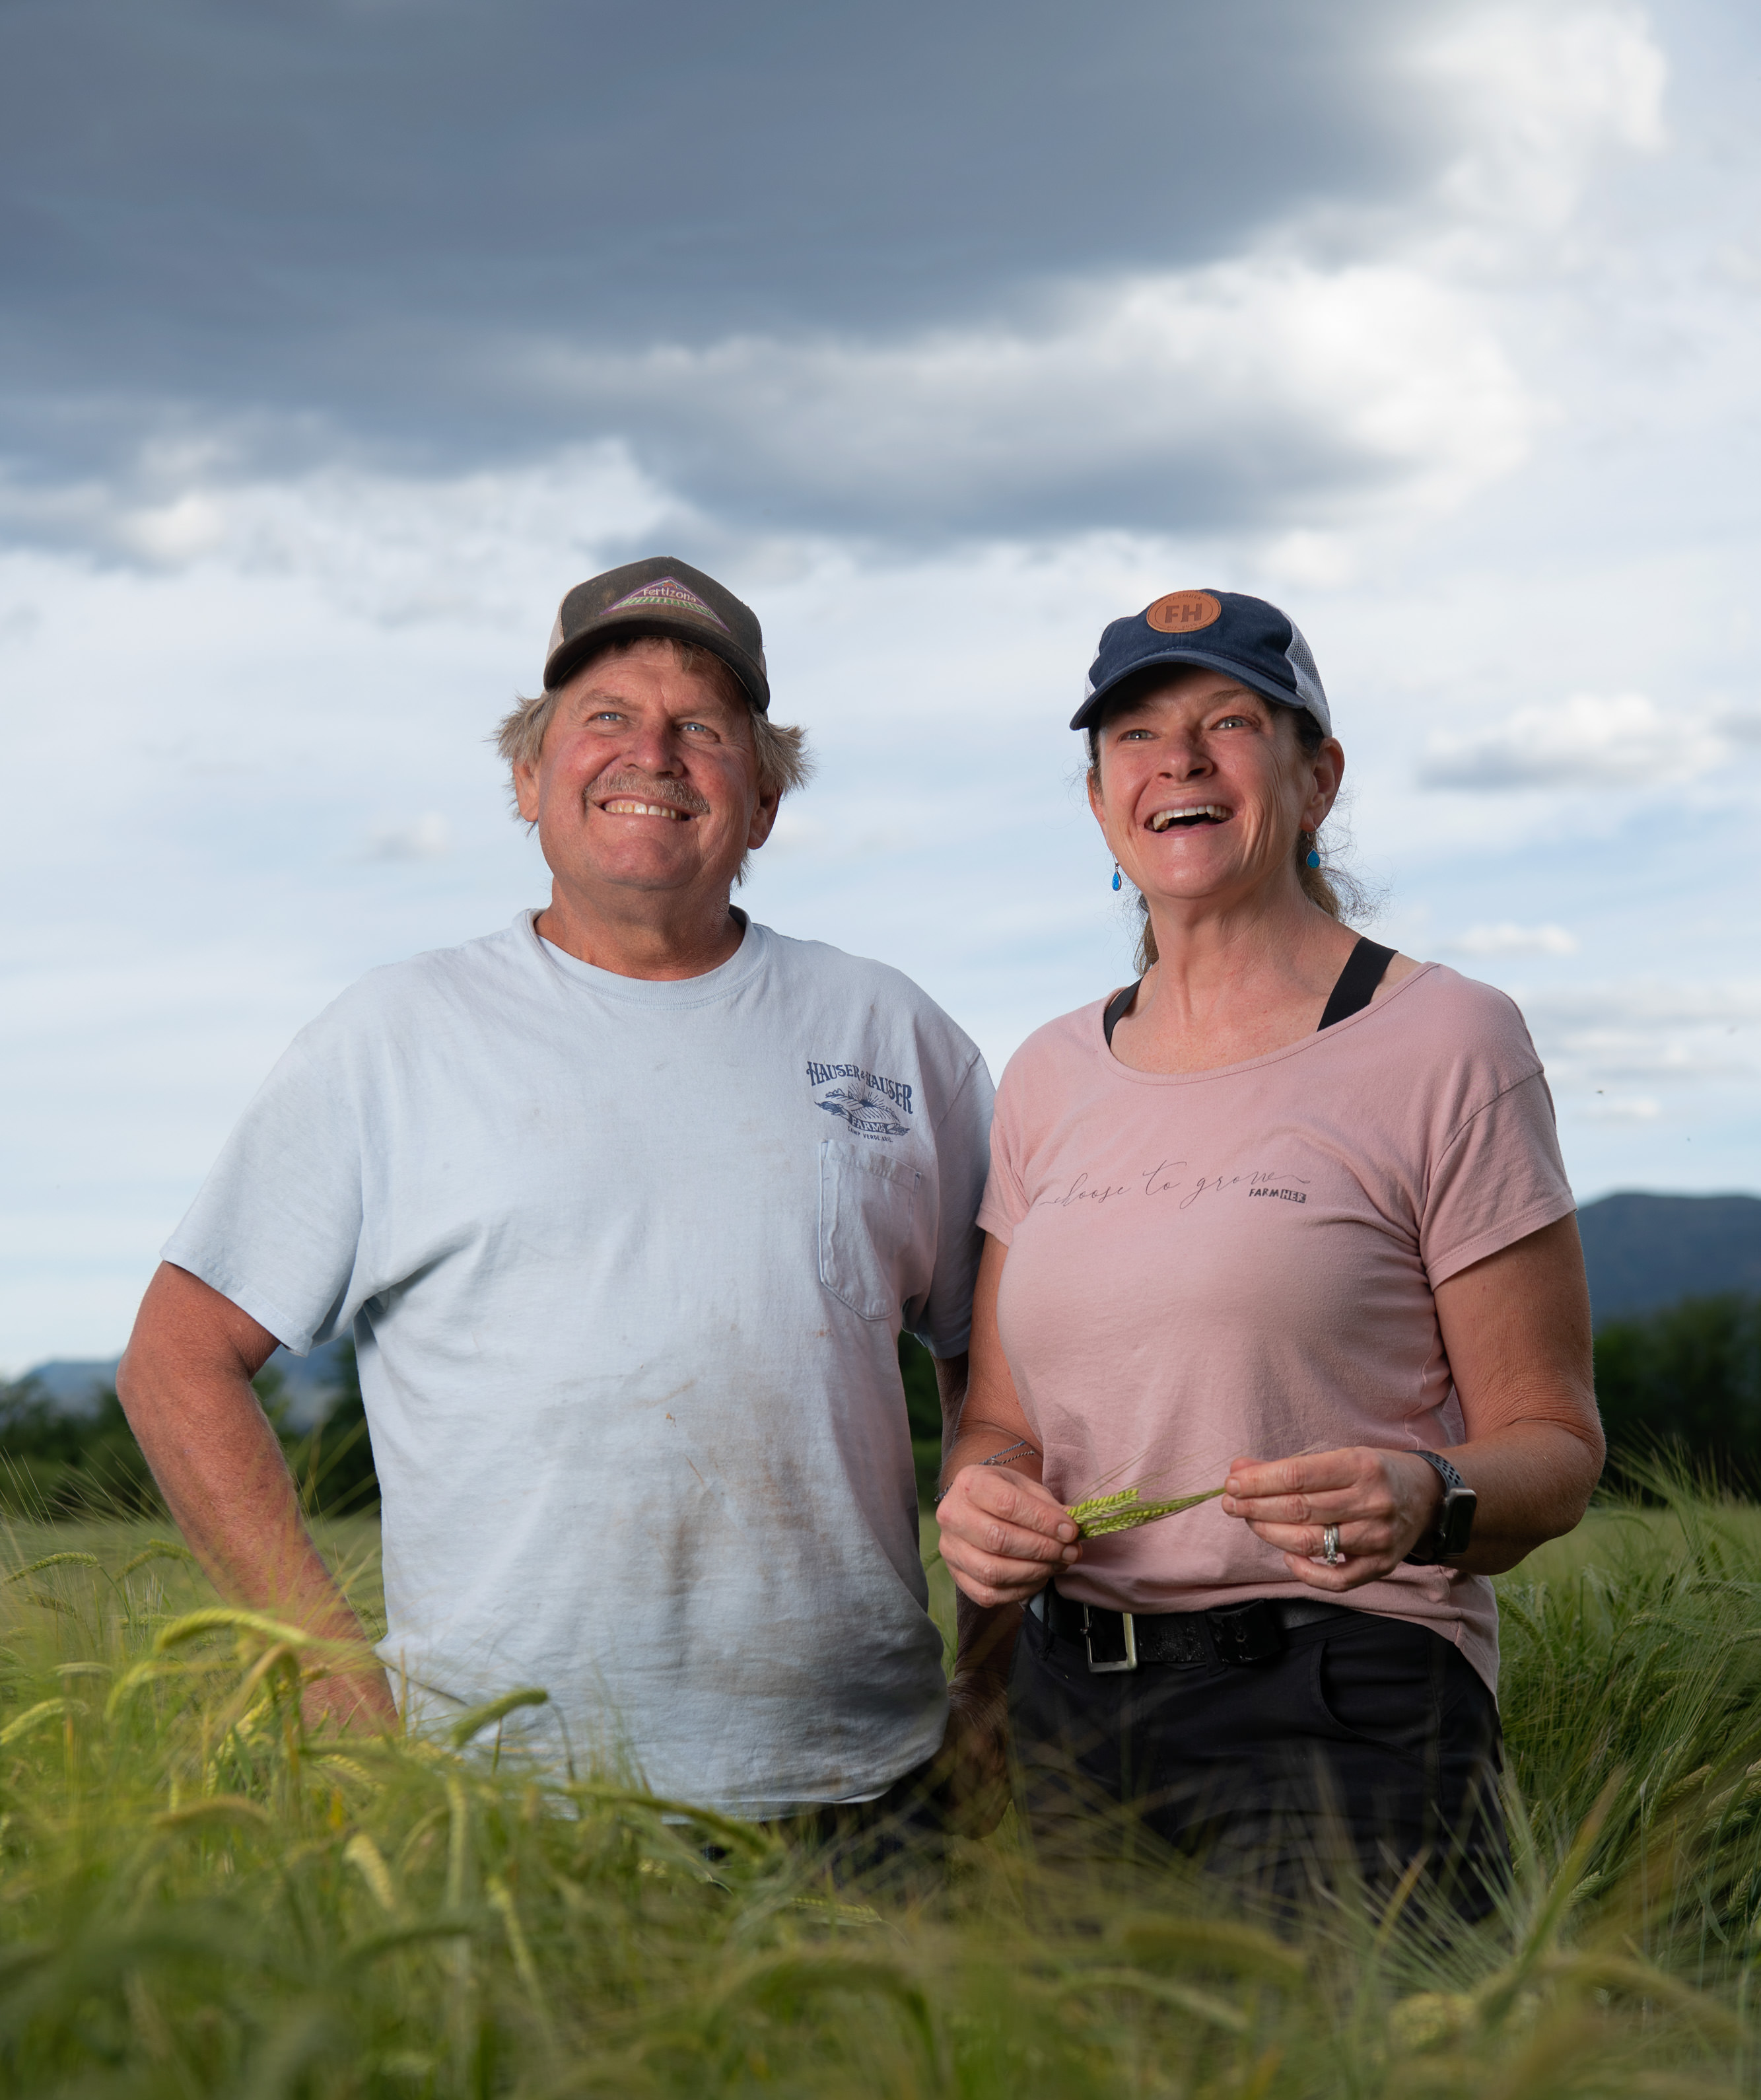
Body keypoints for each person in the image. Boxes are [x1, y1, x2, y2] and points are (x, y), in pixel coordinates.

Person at [119, 555, 1009, 1846]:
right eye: (604, 717)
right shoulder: (393, 1037)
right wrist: (325, 1670)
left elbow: (1003, 1366)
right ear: (527, 777)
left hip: (867, 1788)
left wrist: (991, 1683)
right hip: (504, 1809)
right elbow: (175, 1358)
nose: (652, 752)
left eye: (703, 729)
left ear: (761, 797)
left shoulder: (892, 1033)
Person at [934, 588, 1605, 1909]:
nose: (1175, 760)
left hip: (1343, 1701)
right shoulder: (1049, 1072)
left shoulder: (1445, 1038)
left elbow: (1553, 1442)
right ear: (1095, 799)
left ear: (1317, 775)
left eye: (1225, 721)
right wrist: (982, 1501)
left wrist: (1425, 1492)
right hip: (1075, 1709)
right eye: (1132, 734)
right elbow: (998, 1424)